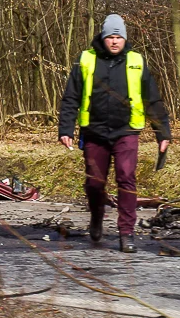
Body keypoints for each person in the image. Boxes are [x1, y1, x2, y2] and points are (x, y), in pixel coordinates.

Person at [58, 14, 171, 253]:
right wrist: (66, 128)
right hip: (94, 132)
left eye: (119, 36)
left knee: (126, 177)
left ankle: (126, 234)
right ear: (103, 37)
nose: (115, 41)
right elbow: (71, 97)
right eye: (111, 36)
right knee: (94, 184)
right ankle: (97, 218)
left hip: (126, 131)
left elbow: (153, 100)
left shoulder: (136, 61)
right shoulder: (85, 60)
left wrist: (163, 133)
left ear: (125, 38)